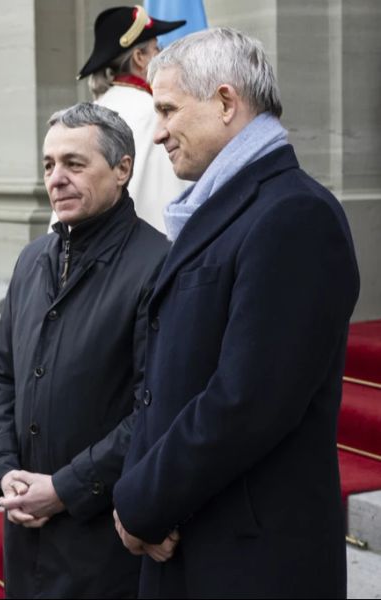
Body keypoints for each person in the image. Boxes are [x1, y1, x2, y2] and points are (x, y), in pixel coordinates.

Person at [111, 28, 360, 598]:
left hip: (250, 561)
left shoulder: (295, 215)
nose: (157, 134)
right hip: (197, 538)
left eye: (168, 110)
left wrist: (141, 501)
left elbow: (246, 402)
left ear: (226, 102)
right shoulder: (223, 205)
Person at [0, 102, 172, 598]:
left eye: (74, 163)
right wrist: (4, 473)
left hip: (102, 538)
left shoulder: (159, 266)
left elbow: (155, 407)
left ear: (123, 169)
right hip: (25, 529)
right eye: (48, 165)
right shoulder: (31, 260)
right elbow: (1, 376)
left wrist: (64, 490)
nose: (57, 178)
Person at [70, 5, 190, 234]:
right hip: (152, 256)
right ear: (139, 58)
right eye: (157, 49)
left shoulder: (87, 113)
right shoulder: (156, 113)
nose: (162, 55)